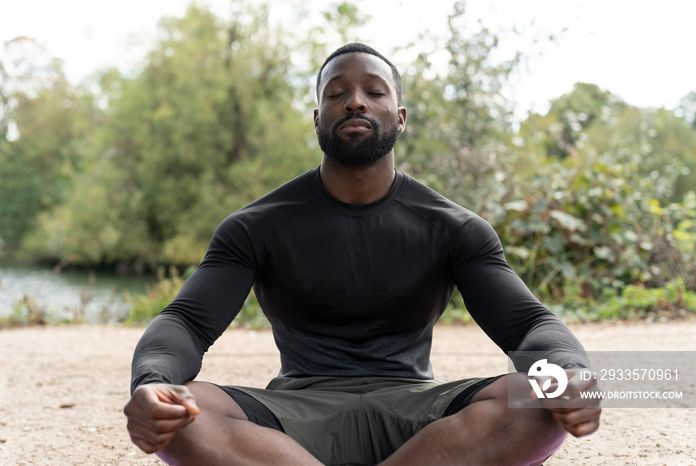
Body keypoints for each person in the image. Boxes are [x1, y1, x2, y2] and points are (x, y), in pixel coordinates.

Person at [124, 43, 601, 465]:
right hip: (293, 419)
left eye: (375, 91)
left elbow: (528, 325)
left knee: (541, 399)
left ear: (400, 116)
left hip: (420, 413)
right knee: (184, 413)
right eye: (336, 93)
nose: (355, 101)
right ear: (317, 119)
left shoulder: (456, 228)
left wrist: (572, 372)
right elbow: (186, 322)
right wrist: (149, 383)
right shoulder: (256, 226)